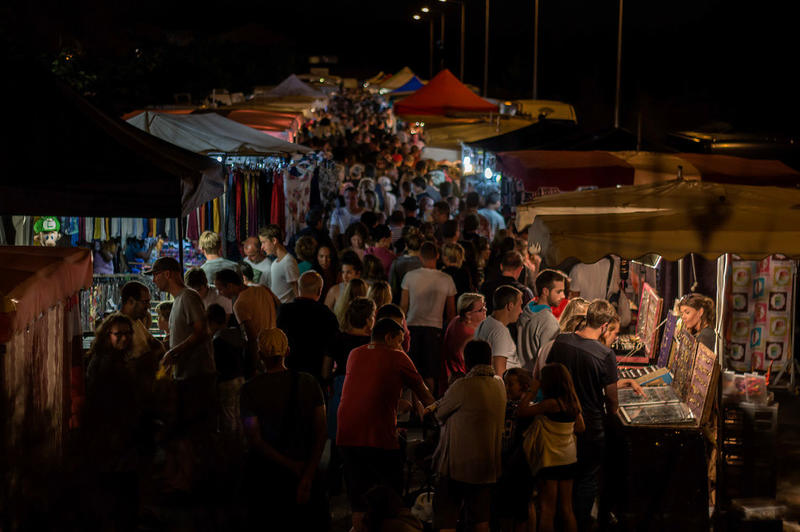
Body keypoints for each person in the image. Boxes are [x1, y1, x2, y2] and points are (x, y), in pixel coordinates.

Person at [337, 318, 435, 532]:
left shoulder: (355, 353)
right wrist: (438, 412)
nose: (401, 346)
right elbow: (425, 394)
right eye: (399, 341)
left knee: (358, 500)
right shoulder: (398, 357)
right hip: (378, 437)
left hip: (346, 434)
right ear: (389, 337)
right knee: (391, 499)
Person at [543, 299, 619, 531]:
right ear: (604, 326)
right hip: (589, 426)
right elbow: (612, 399)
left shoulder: (562, 341)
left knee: (562, 480)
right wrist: (612, 415)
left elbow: (549, 373)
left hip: (559, 424)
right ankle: (581, 523)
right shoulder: (605, 354)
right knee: (586, 479)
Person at [240, 328, 328, 530]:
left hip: (267, 476)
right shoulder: (309, 383)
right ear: (287, 351)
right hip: (306, 467)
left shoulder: (249, 389)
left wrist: (289, 465)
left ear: (259, 355)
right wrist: (307, 474)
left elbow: (254, 438)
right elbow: (321, 432)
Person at [430, 339, 506, 532]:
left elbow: (439, 414)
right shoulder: (499, 385)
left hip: (457, 466)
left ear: (467, 361)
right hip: (487, 467)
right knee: (480, 519)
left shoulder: (463, 386)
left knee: (446, 517)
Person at [84, 313, 140, 531]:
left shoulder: (117, 360)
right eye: (119, 334)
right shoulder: (105, 363)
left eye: (128, 334)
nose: (124, 338)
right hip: (111, 435)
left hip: (118, 434)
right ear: (108, 335)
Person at [149, 257, 216, 433]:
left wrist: (172, 353)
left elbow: (201, 331)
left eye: (155, 275)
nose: (154, 280)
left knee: (197, 430)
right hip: (186, 376)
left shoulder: (188, 296)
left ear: (167, 274)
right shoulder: (178, 300)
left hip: (197, 377)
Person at [517, 363, 585, 532]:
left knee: (548, 510)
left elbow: (522, 411)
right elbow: (581, 427)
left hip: (550, 460)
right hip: (569, 458)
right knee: (567, 509)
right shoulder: (572, 402)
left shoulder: (550, 404)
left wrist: (532, 389)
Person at [401, 241, 457, 391]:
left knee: (412, 371)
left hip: (412, 326)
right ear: (438, 256)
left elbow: (403, 306)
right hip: (434, 329)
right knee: (430, 372)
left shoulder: (410, 277)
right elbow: (451, 312)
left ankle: (412, 408)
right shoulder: (446, 279)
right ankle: (428, 408)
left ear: (420, 256)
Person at [214, 268, 279, 379]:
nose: (219, 293)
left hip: (260, 354)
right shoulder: (263, 289)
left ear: (229, 286)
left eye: (220, 289)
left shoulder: (240, 304)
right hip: (275, 347)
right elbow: (278, 305)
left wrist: (251, 369)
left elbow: (251, 338)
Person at [276, 271, 340, 383]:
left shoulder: (284, 311)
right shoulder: (327, 316)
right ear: (320, 291)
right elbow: (330, 351)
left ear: (299, 288)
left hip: (288, 373)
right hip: (314, 377)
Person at [118, 280, 163, 406]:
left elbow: (156, 344)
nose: (148, 306)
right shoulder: (120, 327)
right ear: (131, 301)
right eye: (145, 302)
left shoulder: (137, 322)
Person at [516, 269, 566, 371]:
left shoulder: (526, 309)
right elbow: (547, 361)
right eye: (559, 291)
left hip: (521, 374)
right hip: (535, 379)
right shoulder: (549, 322)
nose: (563, 296)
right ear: (545, 291)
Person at [207, 303, 245, 434]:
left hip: (226, 382)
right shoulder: (236, 334)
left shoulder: (217, 340)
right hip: (240, 378)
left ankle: (230, 445)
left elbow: (215, 365)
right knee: (238, 413)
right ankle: (241, 443)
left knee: (227, 415)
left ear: (211, 322)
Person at [475, 285, 524, 376]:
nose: (521, 311)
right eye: (520, 305)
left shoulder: (485, 323)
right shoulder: (500, 331)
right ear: (510, 306)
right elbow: (499, 372)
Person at [441, 293, 486, 388]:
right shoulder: (470, 337)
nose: (485, 310)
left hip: (448, 377)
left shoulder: (456, 319)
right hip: (463, 383)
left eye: (485, 306)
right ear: (468, 315)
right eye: (481, 310)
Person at [259, 224, 300, 303]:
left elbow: (297, 292)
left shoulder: (288, 262)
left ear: (274, 241)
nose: (262, 247)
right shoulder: (275, 263)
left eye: (264, 242)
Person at [388, 229, 422, 304]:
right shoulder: (424, 264)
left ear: (406, 246)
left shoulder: (397, 263)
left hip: (400, 301)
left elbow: (392, 286)